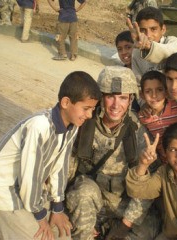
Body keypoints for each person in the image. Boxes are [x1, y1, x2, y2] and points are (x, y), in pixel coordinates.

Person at [0, 71, 102, 240]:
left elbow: (59, 166)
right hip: (5, 188)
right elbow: (29, 175)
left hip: (30, 190)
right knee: (40, 236)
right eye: (86, 108)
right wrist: (40, 216)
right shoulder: (40, 126)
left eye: (93, 109)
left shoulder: (72, 127)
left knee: (64, 234)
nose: (89, 115)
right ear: (66, 102)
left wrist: (57, 208)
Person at [65, 66, 159, 240]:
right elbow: (67, 170)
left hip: (123, 202)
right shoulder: (85, 124)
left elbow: (146, 190)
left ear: (130, 100)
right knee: (82, 195)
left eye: (123, 98)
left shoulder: (138, 133)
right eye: (110, 97)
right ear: (101, 97)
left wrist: (124, 227)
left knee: (148, 229)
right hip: (92, 197)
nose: (116, 105)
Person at [127, 6, 177, 85]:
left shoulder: (173, 41)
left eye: (153, 29)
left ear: (163, 29)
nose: (148, 35)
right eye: (143, 30)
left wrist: (149, 46)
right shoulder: (136, 52)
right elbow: (139, 83)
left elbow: (171, 51)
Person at [138, 70, 177, 163]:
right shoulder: (143, 117)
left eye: (159, 90)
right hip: (163, 163)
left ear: (167, 92)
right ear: (142, 95)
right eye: (148, 91)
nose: (154, 95)